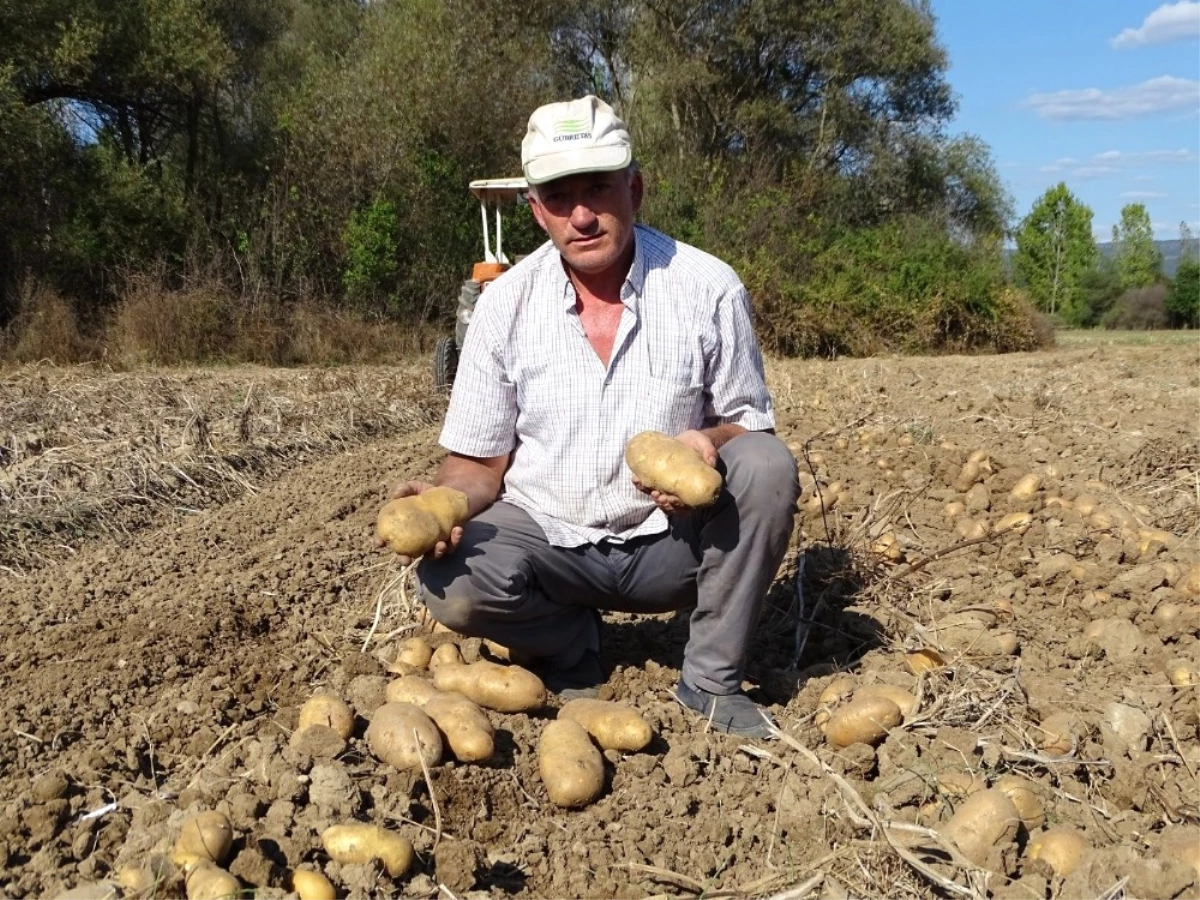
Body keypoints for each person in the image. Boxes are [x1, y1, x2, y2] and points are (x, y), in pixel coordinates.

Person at [390, 95, 799, 737]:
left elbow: (749, 422)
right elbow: (479, 464)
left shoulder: (708, 286)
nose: (581, 215)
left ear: (634, 188)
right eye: (558, 197)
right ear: (534, 209)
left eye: (599, 190)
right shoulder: (503, 309)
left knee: (767, 465)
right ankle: (569, 641)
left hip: (671, 547)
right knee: (452, 582)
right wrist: (443, 504)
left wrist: (709, 441)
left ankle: (712, 679)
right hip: (551, 543)